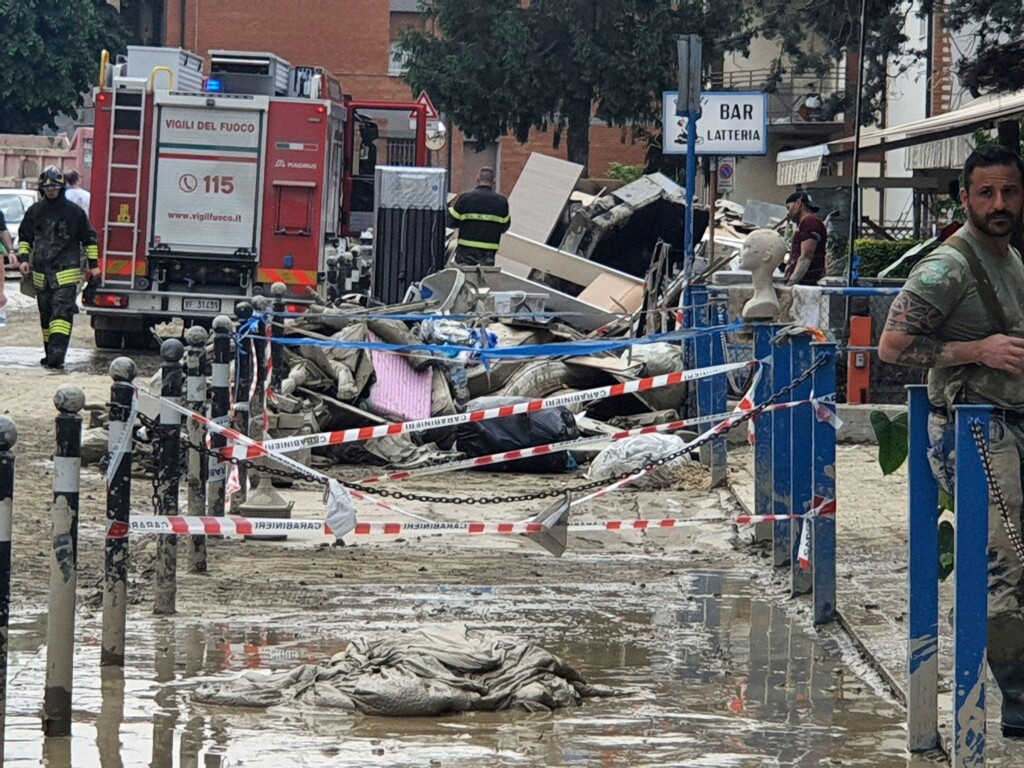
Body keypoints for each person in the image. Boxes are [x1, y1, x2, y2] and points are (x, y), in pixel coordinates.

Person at [878, 143, 1024, 740]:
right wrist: (976, 351)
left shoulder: (1011, 259)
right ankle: (1016, 699)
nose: (999, 203)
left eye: (1009, 192)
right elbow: (890, 346)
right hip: (974, 432)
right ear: (964, 197)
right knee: (1004, 565)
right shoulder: (947, 268)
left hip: (1009, 424)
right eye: (986, 193)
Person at [17, 166, 99, 370]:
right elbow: (25, 237)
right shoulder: (35, 211)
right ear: (42, 189)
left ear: (61, 187)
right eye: (47, 187)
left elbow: (89, 240)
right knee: (46, 315)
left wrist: (94, 267)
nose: (51, 190)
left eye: (54, 187)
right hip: (40, 273)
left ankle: (58, 354)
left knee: (61, 314)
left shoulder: (75, 213)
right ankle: (49, 352)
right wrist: (24, 259)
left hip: (66, 272)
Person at [448, 167, 511, 266]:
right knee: (483, 278)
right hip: (488, 254)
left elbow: (451, 222)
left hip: (465, 251)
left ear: (477, 179)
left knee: (464, 278)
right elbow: (504, 227)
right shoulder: (501, 202)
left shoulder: (465, 198)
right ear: (494, 181)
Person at [737, 229, 786, 320]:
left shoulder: (766, 303)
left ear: (766, 256)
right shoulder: (758, 299)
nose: (741, 253)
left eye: (748, 247)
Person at [782, 191, 827, 285]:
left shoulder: (810, 222)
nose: (788, 213)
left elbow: (806, 256)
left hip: (804, 284)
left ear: (798, 203)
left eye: (788, 207)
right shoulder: (805, 223)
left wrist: (791, 282)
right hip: (802, 283)